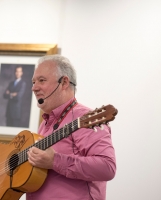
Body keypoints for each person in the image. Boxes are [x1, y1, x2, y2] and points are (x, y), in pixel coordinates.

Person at [26, 55, 116, 200]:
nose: (34, 88)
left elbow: (107, 168)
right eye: (33, 82)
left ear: (64, 82)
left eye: (41, 81)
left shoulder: (84, 118)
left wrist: (55, 161)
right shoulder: (44, 124)